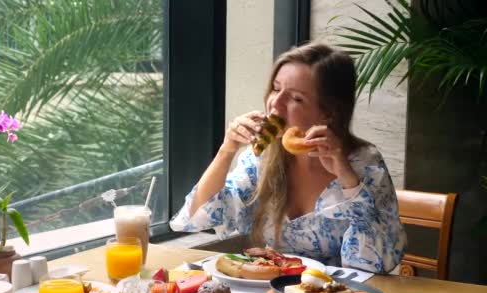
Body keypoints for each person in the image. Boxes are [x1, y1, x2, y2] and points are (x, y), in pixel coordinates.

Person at [170, 43, 406, 273]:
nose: (276, 103)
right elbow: (197, 216)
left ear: (329, 112)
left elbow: (378, 263)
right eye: (275, 88)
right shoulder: (261, 160)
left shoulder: (365, 165)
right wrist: (227, 149)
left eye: (296, 98)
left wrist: (348, 180)